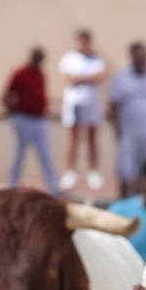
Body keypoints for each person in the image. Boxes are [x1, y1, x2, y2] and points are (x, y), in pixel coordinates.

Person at [107, 42, 146, 198]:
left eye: (143, 56)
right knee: (125, 171)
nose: (141, 59)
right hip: (128, 133)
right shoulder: (121, 78)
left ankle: (142, 202)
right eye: (137, 56)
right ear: (132, 57)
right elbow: (113, 105)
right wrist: (116, 128)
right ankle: (123, 202)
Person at [57, 30, 108, 194]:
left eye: (86, 41)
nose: (84, 44)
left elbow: (100, 76)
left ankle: (93, 171)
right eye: (81, 41)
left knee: (92, 138)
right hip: (74, 103)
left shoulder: (96, 58)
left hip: (92, 103)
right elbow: (67, 78)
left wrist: (81, 79)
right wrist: (86, 78)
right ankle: (70, 171)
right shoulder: (69, 58)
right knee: (73, 138)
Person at [3, 46, 57, 190]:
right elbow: (7, 94)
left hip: (39, 119)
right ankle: (12, 185)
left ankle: (53, 188)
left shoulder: (41, 74)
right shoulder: (20, 73)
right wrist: (13, 116)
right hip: (24, 118)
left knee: (45, 154)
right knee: (20, 153)